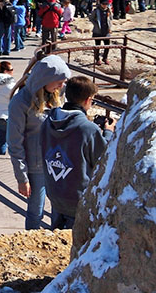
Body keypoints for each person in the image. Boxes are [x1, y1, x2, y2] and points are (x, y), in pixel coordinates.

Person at [39, 76, 113, 230]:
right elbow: (103, 160)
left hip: (56, 193)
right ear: (87, 100)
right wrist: (108, 133)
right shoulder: (87, 129)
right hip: (79, 199)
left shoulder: (48, 121)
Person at [7, 54, 71, 230]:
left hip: (59, 163)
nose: (62, 85)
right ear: (45, 79)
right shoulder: (20, 102)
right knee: (36, 212)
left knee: (60, 211)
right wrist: (22, 177)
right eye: (59, 81)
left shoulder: (57, 95)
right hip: (36, 167)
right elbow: (14, 143)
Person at [90, 0, 112, 65]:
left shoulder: (109, 10)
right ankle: (97, 59)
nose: (105, 5)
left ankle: (105, 58)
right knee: (97, 46)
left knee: (107, 45)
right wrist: (96, 24)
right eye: (103, 4)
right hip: (98, 31)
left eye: (106, 4)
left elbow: (110, 18)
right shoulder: (96, 10)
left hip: (106, 31)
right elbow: (91, 18)